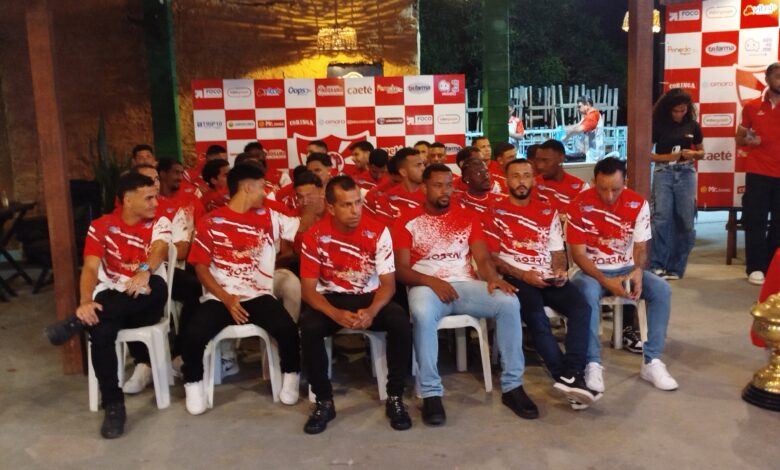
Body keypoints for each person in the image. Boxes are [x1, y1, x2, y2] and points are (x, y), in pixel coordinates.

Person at [394, 163, 538, 425]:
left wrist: (493, 279)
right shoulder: (406, 220)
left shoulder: (468, 216)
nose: (445, 191)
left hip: (465, 286)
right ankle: (431, 392)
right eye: (438, 185)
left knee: (508, 302)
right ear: (424, 188)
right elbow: (401, 270)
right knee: (422, 313)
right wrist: (431, 282)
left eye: (449, 185)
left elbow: (482, 259)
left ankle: (513, 386)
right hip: (427, 288)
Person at [44, 172, 172, 439]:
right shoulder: (101, 226)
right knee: (100, 329)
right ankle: (114, 405)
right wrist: (85, 302)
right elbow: (90, 268)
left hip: (145, 301)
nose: (155, 203)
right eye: (148, 198)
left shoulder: (159, 222)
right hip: (113, 298)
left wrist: (145, 270)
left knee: (155, 287)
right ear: (128, 200)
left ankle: (76, 323)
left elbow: (159, 249)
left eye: (155, 197)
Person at [180, 164, 306, 415]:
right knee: (193, 335)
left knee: (288, 329)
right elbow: (201, 268)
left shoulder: (269, 216)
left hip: (258, 295)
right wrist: (226, 299)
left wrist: (311, 206)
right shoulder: (210, 222)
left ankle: (290, 378)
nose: (264, 193)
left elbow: (302, 228)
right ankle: (193, 386)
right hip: (220, 297)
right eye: (260, 187)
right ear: (247, 187)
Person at [299, 176, 413, 434]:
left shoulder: (379, 231)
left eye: (357, 203)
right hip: (331, 298)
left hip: (369, 297)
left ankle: (395, 396)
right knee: (309, 327)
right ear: (330, 208)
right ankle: (324, 401)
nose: (355, 210)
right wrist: (335, 314)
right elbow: (308, 291)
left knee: (400, 322)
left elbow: (388, 285)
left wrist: (372, 311)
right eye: (346, 205)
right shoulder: (314, 235)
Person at [486, 159, 597, 410]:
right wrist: (523, 275)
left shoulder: (547, 211)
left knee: (582, 308)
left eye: (526, 175)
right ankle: (565, 376)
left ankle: (572, 373)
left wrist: (559, 270)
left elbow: (557, 251)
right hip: (516, 278)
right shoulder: (494, 211)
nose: (521, 181)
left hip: (548, 276)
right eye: (516, 176)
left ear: (533, 179)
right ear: (506, 180)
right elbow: (493, 258)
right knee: (537, 318)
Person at [568, 158, 678, 393]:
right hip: (589, 272)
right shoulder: (578, 204)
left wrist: (637, 270)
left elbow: (640, 246)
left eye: (615, 189)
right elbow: (578, 255)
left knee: (662, 290)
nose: (609, 196)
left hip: (625, 269)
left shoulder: (638, 203)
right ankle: (592, 363)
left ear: (625, 182)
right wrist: (606, 281)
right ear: (593, 182)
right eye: (602, 188)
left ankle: (652, 361)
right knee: (587, 293)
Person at [649, 88, 704, 281]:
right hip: (663, 171)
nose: (679, 114)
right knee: (662, 218)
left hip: (687, 171)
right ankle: (657, 264)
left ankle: (676, 267)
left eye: (683, 110)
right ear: (668, 109)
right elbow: (647, 154)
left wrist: (693, 154)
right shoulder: (658, 125)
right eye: (675, 110)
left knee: (686, 220)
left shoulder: (693, 126)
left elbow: (701, 152)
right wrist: (668, 157)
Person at [735, 62, 780, 286]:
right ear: (768, 78)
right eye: (778, 75)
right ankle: (755, 267)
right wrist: (749, 140)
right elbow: (739, 137)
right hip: (758, 172)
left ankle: (773, 267)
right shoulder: (752, 106)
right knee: (755, 221)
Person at [366, 148, 425, 227]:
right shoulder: (387, 200)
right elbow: (385, 233)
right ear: (403, 172)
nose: (423, 168)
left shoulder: (433, 195)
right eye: (418, 165)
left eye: (423, 164)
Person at [531, 139, 589, 216]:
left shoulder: (581, 188)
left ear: (561, 158)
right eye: (538, 160)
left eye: (545, 160)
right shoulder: (532, 186)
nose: (540, 166)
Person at [565, 96, 604, 162]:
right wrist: (565, 129)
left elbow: (579, 129)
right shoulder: (587, 116)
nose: (578, 109)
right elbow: (578, 126)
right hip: (590, 152)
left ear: (587, 104)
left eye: (579, 106)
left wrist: (565, 133)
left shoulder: (593, 116)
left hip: (594, 155)